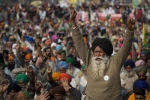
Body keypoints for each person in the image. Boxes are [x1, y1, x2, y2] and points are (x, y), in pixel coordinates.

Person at [70, 9, 136, 100]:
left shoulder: (115, 62)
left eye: (101, 52)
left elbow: (125, 48)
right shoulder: (89, 60)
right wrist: (73, 23)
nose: (98, 55)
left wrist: (130, 31)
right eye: (96, 52)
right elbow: (79, 43)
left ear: (106, 52)